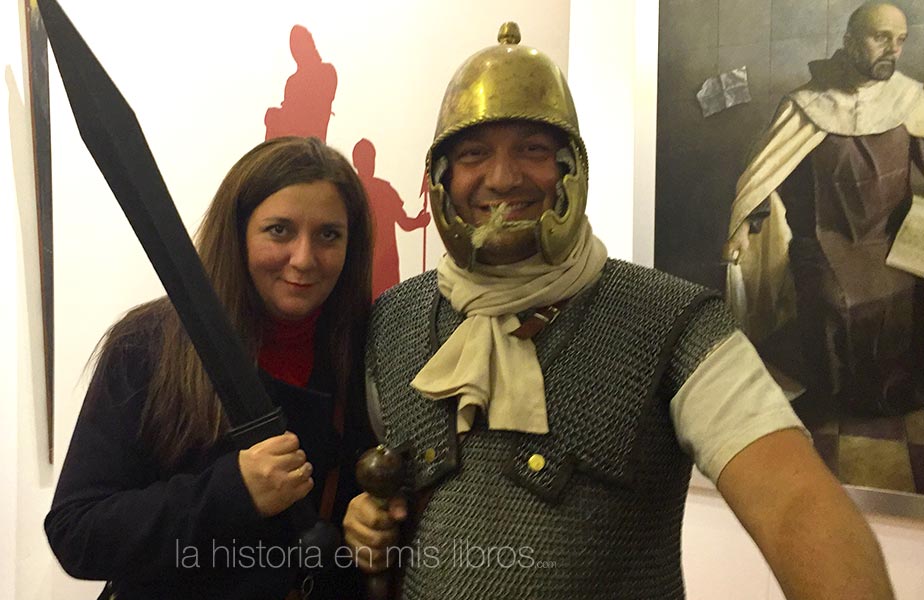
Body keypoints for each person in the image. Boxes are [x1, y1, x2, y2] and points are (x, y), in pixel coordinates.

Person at [343, 22, 895, 599]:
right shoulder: (396, 321)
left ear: (570, 168)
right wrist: (369, 520)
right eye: (474, 154)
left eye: (533, 150)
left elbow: (794, 501)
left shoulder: (669, 320)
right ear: (441, 178)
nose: (503, 178)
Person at [45, 136, 375, 599]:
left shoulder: (369, 353)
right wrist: (232, 493)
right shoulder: (149, 347)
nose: (304, 258)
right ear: (237, 233)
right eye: (279, 230)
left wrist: (372, 525)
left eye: (328, 235)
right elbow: (77, 533)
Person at [724, 1, 924, 417]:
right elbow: (765, 172)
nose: (892, 49)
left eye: (900, 40)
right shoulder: (806, 104)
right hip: (825, 240)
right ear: (850, 41)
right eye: (880, 37)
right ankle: (835, 401)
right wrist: (746, 221)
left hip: (889, 238)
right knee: (833, 301)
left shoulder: (910, 98)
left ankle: (896, 393)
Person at [352, 138, 431, 299]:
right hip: (362, 264)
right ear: (357, 162)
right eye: (366, 159)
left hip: (384, 264)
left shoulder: (377, 190)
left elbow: (404, 222)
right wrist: (419, 221)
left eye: (370, 159)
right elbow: (406, 223)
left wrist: (420, 221)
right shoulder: (351, 192)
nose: (369, 163)